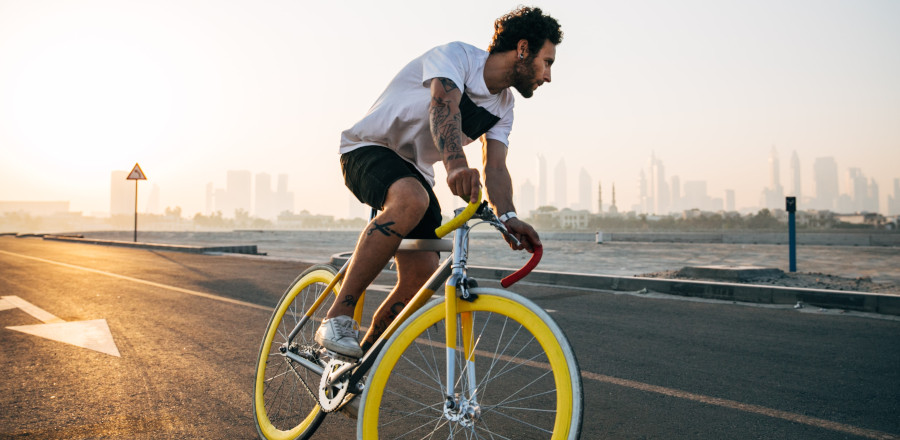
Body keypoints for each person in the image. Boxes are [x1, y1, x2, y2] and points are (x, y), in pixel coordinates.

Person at [316, 6, 563, 358]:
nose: (548, 76)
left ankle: (355, 366)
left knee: (422, 278)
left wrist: (508, 218)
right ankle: (337, 318)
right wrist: (456, 166)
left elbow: (495, 168)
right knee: (412, 199)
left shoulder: (504, 107)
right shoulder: (458, 56)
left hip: (415, 172)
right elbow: (442, 107)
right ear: (523, 49)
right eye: (547, 62)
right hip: (367, 148)